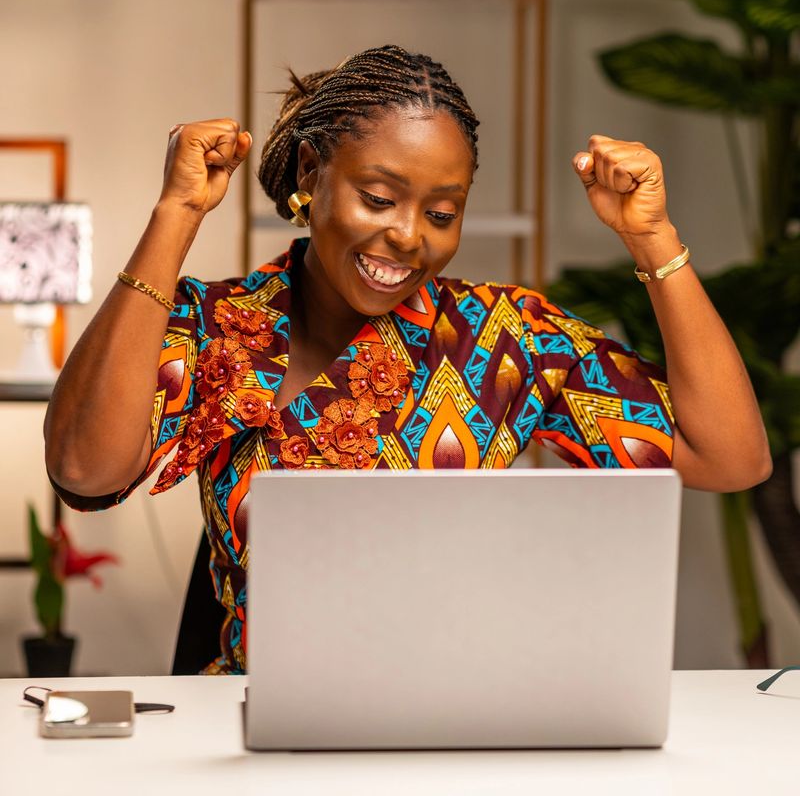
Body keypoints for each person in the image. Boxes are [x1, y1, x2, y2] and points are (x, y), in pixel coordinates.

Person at [44, 44, 771, 673]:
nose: (408, 236)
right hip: (252, 737)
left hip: (460, 720)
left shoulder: (504, 337)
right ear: (311, 170)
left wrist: (654, 240)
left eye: (442, 212)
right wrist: (177, 213)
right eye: (380, 196)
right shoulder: (216, 326)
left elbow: (730, 456)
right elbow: (85, 467)